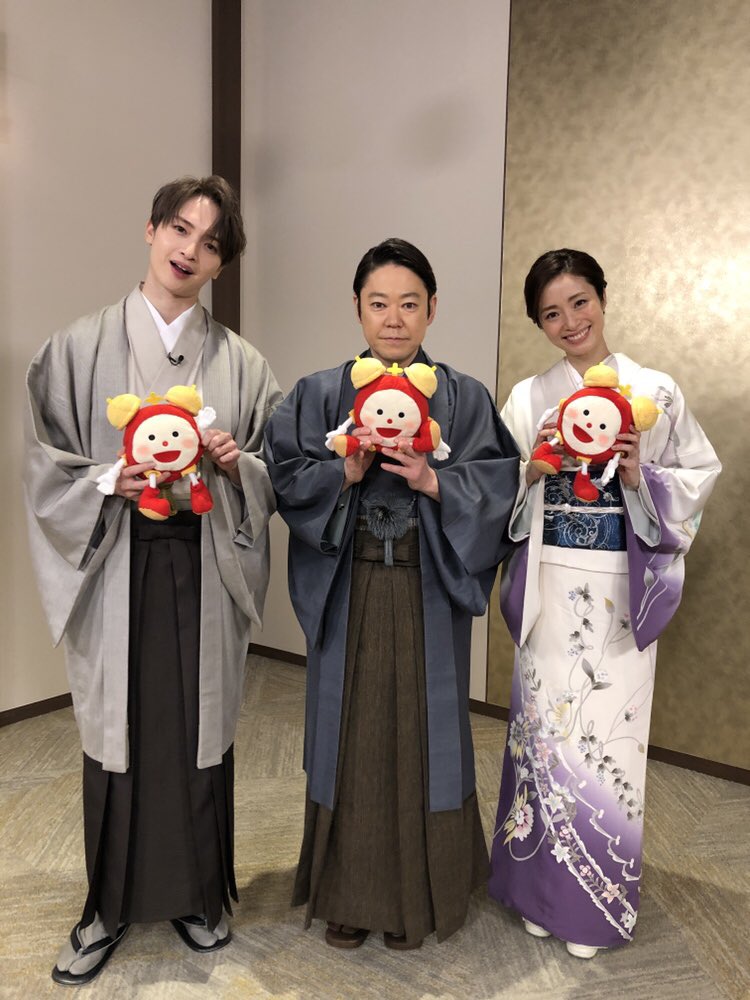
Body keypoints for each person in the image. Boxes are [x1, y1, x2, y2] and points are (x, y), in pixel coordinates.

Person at [24, 176, 282, 985]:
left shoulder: (242, 363)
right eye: (179, 229)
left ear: (221, 264)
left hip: (205, 565)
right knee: (120, 733)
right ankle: (104, 910)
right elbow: (44, 465)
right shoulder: (76, 348)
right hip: (115, 563)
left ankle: (199, 899)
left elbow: (273, 470)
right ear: (150, 229)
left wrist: (238, 467)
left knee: (196, 730)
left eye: (211, 244)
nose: (189, 251)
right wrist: (110, 479)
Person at [264, 238, 520, 950]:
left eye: (410, 303)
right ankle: (347, 896)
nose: (395, 318)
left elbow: (500, 482)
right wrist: (342, 474)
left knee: (424, 739)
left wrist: (435, 481)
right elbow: (282, 472)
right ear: (357, 308)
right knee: (350, 738)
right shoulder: (320, 393)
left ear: (432, 309)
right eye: (379, 303)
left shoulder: (465, 398)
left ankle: (420, 897)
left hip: (428, 587)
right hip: (348, 586)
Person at [488, 249, 720, 958]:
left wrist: (640, 473)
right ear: (538, 322)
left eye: (580, 302)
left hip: (619, 588)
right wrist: (531, 472)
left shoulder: (656, 392)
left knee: (603, 742)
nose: (570, 322)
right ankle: (534, 893)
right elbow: (498, 489)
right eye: (551, 313)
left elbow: (697, 474)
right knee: (542, 737)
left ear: (603, 298)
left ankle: (590, 909)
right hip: (550, 587)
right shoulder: (527, 398)